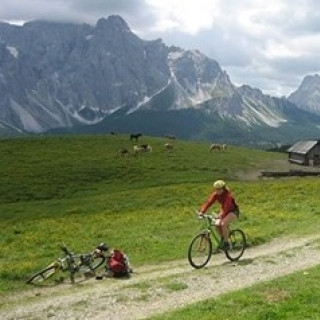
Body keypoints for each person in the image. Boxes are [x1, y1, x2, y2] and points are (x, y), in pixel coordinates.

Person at [198, 179, 240, 251]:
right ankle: (223, 238)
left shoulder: (228, 196)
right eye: (216, 189)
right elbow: (208, 203)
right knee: (217, 224)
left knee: (223, 224)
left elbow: (227, 207)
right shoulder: (216, 194)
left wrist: (220, 216)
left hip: (233, 211)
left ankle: (226, 243)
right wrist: (202, 211)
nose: (217, 191)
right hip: (224, 210)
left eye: (219, 189)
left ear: (223, 188)